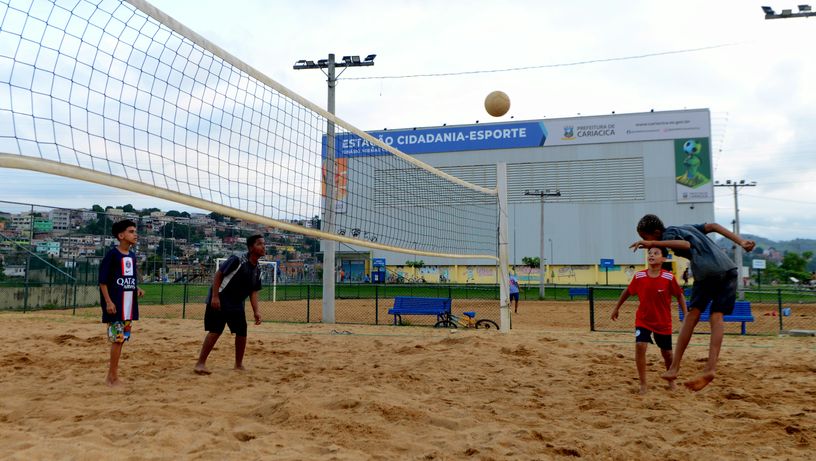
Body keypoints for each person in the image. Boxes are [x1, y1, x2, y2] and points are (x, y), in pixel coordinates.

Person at [630, 214, 755, 391]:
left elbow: (685, 245)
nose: (645, 243)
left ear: (656, 233)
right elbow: (712, 225)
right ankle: (710, 369)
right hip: (729, 269)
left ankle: (674, 367)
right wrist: (740, 241)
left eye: (646, 238)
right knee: (717, 317)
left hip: (707, 272)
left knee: (692, 316)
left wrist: (653, 244)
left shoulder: (668, 235)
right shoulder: (687, 227)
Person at [611, 247, 686, 394]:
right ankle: (643, 384)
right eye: (649, 253)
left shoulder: (669, 277)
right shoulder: (639, 276)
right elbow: (627, 291)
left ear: (663, 259)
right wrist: (616, 307)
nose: (651, 255)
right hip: (643, 320)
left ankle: (671, 381)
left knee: (667, 354)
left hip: (663, 322)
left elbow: (680, 295)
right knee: (640, 345)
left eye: (656, 253)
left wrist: (686, 314)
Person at [194, 234, 265, 375]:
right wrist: (214, 296)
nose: (263, 247)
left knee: (242, 331)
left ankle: (238, 364)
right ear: (251, 248)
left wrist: (256, 311)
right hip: (220, 299)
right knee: (215, 331)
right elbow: (218, 274)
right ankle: (200, 363)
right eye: (259, 244)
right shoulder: (237, 260)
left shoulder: (257, 269)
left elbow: (253, 292)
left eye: (264, 244)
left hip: (237, 304)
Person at [99, 219, 144, 387]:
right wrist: (108, 302)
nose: (135, 234)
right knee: (117, 340)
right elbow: (103, 281)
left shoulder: (131, 256)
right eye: (131, 231)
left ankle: (113, 376)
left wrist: (136, 288)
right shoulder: (112, 255)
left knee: (122, 339)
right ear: (121, 235)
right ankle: (111, 377)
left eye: (134, 231)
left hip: (128, 307)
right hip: (115, 305)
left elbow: (127, 279)